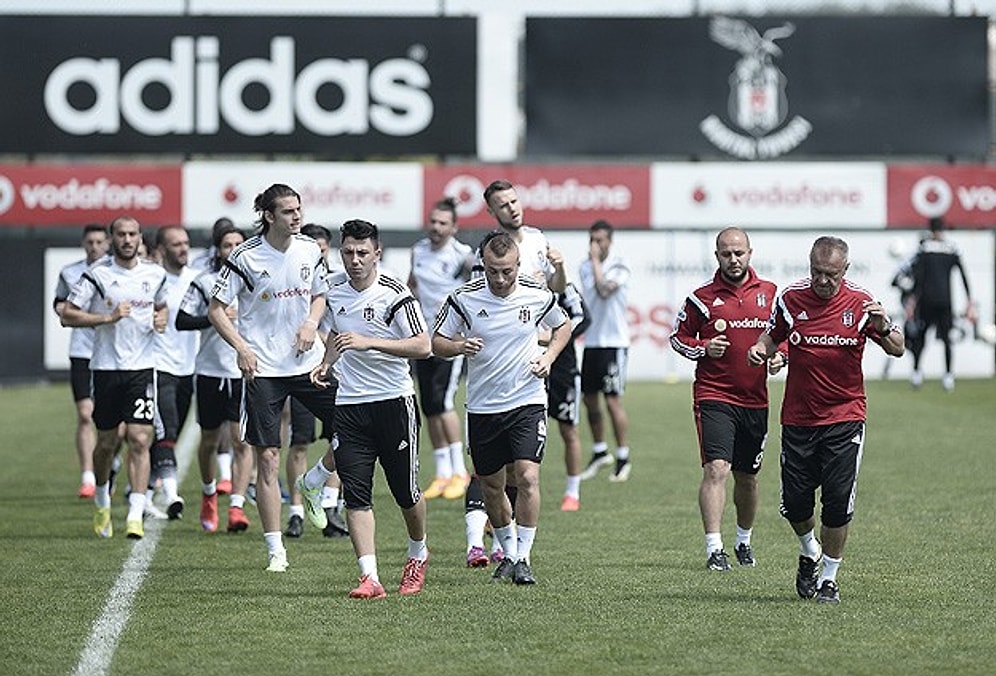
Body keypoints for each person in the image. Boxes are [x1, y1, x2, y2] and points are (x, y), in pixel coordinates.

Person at [746, 236, 905, 604]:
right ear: (809, 266)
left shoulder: (863, 304)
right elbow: (772, 337)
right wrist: (759, 350)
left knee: (836, 502)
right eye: (817, 272)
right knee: (796, 505)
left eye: (831, 275)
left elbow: (897, 347)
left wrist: (882, 327)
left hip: (845, 416)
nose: (822, 281)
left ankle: (829, 579)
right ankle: (809, 550)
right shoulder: (790, 299)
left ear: (844, 271)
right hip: (799, 419)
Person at [208, 184, 338, 573]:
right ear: (268, 215)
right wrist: (242, 348)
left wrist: (312, 324)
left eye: (298, 210)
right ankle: (275, 549)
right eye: (287, 212)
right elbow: (216, 309)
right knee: (268, 457)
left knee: (354, 427)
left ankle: (315, 481)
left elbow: (321, 294)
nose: (296, 217)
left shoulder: (310, 250)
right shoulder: (244, 257)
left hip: (309, 364)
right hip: (263, 370)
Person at [433, 231, 570, 585]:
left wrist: (549, 357)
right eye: (493, 271)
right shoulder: (463, 298)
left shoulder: (538, 295)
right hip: (482, 407)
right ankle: (508, 554)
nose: (500, 279)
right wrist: (459, 345)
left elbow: (563, 326)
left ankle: (523, 556)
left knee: (527, 476)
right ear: (483, 265)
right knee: (491, 487)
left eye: (507, 271)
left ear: (518, 264)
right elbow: (436, 342)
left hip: (527, 400)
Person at [305, 219, 432, 599]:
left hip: (395, 403)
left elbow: (423, 345)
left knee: (406, 493)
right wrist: (327, 364)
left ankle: (417, 553)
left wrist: (369, 342)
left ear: (377, 253)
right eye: (348, 252)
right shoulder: (334, 290)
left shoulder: (394, 294)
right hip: (350, 405)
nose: (355, 260)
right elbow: (333, 333)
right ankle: (369, 577)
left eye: (362, 253)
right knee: (356, 495)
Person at [462, 179, 568, 567]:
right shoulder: (486, 254)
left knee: (525, 472)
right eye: (502, 205)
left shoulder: (539, 240)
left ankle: (515, 554)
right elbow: (478, 301)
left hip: (528, 368)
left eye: (514, 200)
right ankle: (494, 542)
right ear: (492, 213)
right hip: (490, 376)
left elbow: (559, 297)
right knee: (493, 476)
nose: (512, 208)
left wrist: (559, 269)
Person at [670, 227, 777, 571]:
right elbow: (678, 338)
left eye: (739, 253)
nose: (733, 260)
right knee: (717, 469)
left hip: (756, 400)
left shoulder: (772, 295)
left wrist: (779, 357)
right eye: (726, 254)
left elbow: (787, 337)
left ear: (750, 253)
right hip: (714, 395)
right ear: (716, 256)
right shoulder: (701, 298)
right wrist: (704, 347)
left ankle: (743, 542)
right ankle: (714, 549)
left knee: (747, 477)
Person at [61, 216, 168, 540]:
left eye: (132, 234)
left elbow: (160, 307)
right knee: (107, 443)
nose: (127, 239)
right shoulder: (97, 275)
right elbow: (67, 314)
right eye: (120, 234)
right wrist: (107, 317)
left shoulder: (156, 273)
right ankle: (102, 499)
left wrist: (160, 318)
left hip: (141, 368)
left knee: (139, 438)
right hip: (106, 368)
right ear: (112, 239)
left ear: (139, 238)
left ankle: (135, 513)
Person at [176, 224, 253, 533]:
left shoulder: (255, 280)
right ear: (217, 250)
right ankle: (209, 494)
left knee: (241, 440)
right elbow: (181, 320)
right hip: (209, 371)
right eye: (226, 244)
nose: (232, 249)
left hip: (243, 371)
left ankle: (236, 505)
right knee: (209, 440)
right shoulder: (204, 282)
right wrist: (214, 317)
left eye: (238, 244)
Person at [407, 197, 474, 501]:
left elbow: (471, 294)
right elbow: (412, 286)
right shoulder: (418, 250)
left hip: (448, 339)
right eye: (433, 221)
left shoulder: (464, 256)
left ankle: (460, 471)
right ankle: (443, 472)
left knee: (445, 401)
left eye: (442, 223)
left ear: (454, 227)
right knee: (429, 404)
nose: (436, 227)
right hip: (423, 338)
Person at [53, 223, 110, 499]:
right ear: (83, 244)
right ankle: (88, 475)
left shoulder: (116, 272)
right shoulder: (70, 273)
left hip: (112, 353)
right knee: (86, 415)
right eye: (90, 242)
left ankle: (108, 458)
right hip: (82, 351)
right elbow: (60, 305)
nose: (95, 247)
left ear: (107, 244)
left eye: (100, 241)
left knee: (115, 423)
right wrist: (68, 311)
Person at [149, 225, 200, 520]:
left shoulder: (198, 280)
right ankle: (170, 495)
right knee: (164, 430)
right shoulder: (153, 279)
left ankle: (140, 490)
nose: (183, 248)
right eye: (176, 244)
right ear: (161, 249)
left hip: (188, 368)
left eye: (185, 243)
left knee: (171, 434)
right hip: (158, 366)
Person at [578, 220, 633, 482]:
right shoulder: (583, 267)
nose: (595, 245)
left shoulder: (620, 265)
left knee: (612, 400)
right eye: (592, 239)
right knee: (589, 399)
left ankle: (623, 456)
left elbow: (603, 291)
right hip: (592, 342)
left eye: (600, 239)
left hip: (614, 342)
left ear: (610, 240)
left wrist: (597, 262)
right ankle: (600, 451)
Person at [906, 217, 977, 391]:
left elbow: (917, 277)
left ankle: (942, 375)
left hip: (934, 301)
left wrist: (913, 299)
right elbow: (963, 275)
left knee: (938, 339)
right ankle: (927, 374)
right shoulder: (950, 249)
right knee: (931, 339)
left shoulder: (925, 249)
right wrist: (969, 298)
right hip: (941, 301)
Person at [549, 282, 590, 512]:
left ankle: (572, 493)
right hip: (529, 368)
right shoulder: (519, 286)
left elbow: (584, 318)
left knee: (568, 430)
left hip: (563, 371)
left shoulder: (564, 288)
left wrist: (555, 336)